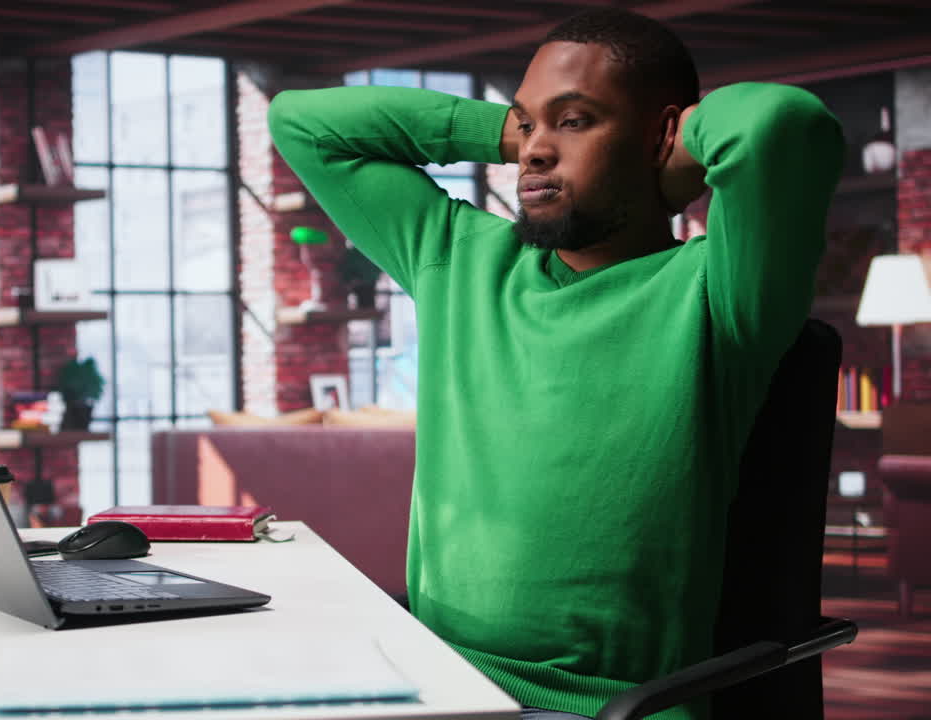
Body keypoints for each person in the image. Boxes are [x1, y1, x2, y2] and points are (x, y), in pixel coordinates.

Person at [268, 8, 842, 720]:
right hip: (431, 681)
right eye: (527, 124)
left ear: (661, 134)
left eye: (574, 121)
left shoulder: (720, 293)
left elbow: (784, 124)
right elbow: (301, 122)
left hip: (610, 708)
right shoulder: (457, 258)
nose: (534, 151)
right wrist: (512, 130)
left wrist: (683, 146)